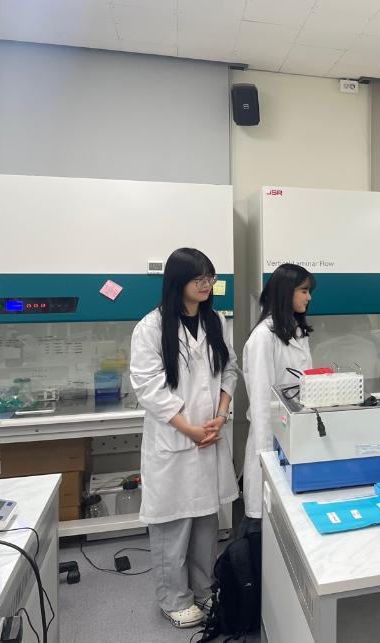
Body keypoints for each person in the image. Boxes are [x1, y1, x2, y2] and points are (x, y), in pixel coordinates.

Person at [129, 247, 238, 629]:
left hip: (209, 435)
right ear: (178, 282)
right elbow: (148, 387)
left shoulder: (216, 321)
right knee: (172, 526)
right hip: (175, 441)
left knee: (206, 522)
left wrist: (221, 415)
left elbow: (229, 371)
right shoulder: (151, 328)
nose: (207, 285)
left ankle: (204, 589)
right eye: (199, 279)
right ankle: (174, 598)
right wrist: (189, 428)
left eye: (210, 277)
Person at [242, 263, 314, 522]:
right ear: (286, 292)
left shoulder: (296, 331)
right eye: (303, 291)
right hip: (272, 438)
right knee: (267, 520)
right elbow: (261, 399)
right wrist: (266, 456)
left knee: (292, 516)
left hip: (295, 432)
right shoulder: (264, 337)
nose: (309, 297)